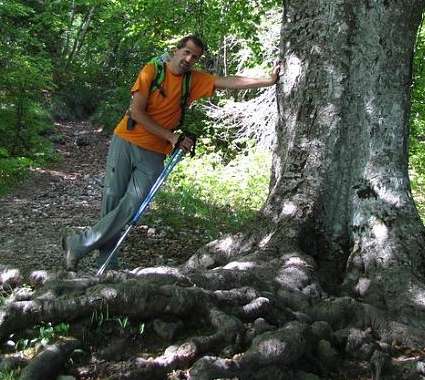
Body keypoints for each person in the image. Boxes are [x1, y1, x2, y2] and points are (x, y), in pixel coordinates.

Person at [61, 34, 280, 271]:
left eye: (195, 57)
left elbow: (230, 81)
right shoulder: (152, 71)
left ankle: (78, 245)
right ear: (176, 50)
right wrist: (172, 136)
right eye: (186, 52)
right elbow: (136, 112)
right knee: (113, 200)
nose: (189, 59)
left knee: (132, 206)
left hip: (155, 152)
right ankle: (107, 265)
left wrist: (267, 81)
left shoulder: (193, 80)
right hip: (126, 139)